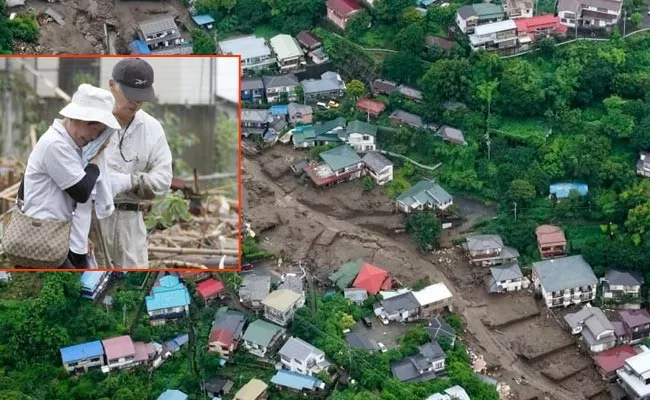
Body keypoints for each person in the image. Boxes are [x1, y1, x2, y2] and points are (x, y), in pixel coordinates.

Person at [21, 84, 122, 268]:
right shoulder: (55, 145)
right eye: (95, 130)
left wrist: (81, 239)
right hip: (42, 237)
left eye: (99, 134)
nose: (94, 137)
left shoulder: (69, 146)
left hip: (55, 235)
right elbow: (81, 191)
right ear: (80, 118)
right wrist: (96, 158)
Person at [94, 57, 173, 269]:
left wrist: (130, 182)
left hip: (130, 220)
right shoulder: (90, 119)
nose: (135, 103)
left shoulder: (151, 128)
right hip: (90, 217)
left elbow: (164, 179)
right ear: (112, 85)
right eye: (130, 96)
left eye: (141, 98)